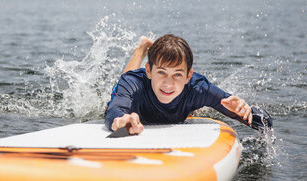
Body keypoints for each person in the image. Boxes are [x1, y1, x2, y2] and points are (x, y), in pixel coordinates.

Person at [105, 34, 272, 134]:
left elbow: (266, 123)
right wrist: (120, 119)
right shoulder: (133, 83)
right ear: (149, 71)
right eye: (161, 72)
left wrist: (246, 112)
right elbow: (113, 110)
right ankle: (141, 49)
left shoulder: (198, 89)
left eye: (177, 74)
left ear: (188, 76)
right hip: (133, 94)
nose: (168, 84)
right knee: (123, 81)